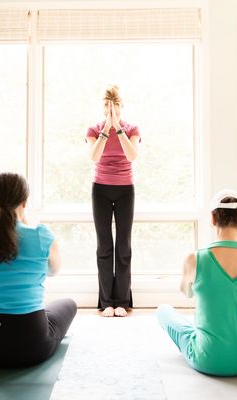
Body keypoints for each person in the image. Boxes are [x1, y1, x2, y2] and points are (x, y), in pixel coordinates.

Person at [0, 172, 77, 367]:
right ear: (24, 201)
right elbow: (53, 271)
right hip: (30, 347)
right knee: (69, 304)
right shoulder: (40, 235)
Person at [156, 189, 237, 376]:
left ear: (213, 218)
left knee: (163, 310)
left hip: (211, 360)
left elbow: (187, 293)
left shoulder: (194, 259)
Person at [86, 85, 141, 317]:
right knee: (104, 245)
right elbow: (93, 156)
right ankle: (106, 302)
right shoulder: (94, 129)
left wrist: (118, 128)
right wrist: (106, 131)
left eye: (116, 107)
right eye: (108, 108)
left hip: (125, 189)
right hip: (101, 189)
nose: (112, 112)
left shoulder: (131, 129)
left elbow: (132, 155)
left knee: (123, 246)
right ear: (103, 108)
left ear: (121, 107)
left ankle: (122, 301)